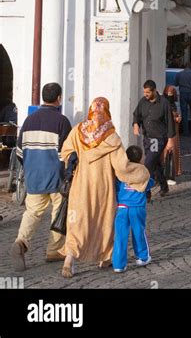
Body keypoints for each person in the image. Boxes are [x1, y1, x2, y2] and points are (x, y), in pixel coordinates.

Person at [59, 96, 149, 278]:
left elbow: (66, 151)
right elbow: (122, 167)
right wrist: (141, 174)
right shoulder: (112, 137)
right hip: (103, 187)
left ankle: (70, 258)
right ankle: (105, 256)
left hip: (81, 185)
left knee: (78, 221)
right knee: (104, 220)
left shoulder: (77, 131)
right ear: (107, 112)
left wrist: (72, 159)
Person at [10, 83, 72, 271]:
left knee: (32, 213)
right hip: (56, 177)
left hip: (34, 177)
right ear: (59, 98)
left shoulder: (29, 120)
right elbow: (67, 153)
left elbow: (20, 152)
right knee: (59, 212)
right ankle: (54, 250)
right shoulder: (62, 121)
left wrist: (31, 168)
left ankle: (21, 242)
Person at [112, 145, 155, 273]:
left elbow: (116, 185)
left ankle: (119, 264)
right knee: (138, 232)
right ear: (141, 158)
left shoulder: (120, 172)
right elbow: (149, 183)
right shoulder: (143, 172)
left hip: (122, 208)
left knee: (120, 236)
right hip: (137, 207)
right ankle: (142, 257)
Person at [133, 80, 175, 197]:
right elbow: (137, 115)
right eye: (144, 92)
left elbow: (170, 122)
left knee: (148, 164)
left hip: (159, 138)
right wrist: (136, 124)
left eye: (147, 92)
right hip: (147, 138)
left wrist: (170, 140)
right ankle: (164, 186)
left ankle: (146, 192)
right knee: (155, 163)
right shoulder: (143, 102)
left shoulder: (164, 103)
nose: (145, 94)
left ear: (154, 91)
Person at [175, 63, 191, 136]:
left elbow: (176, 84)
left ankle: (186, 132)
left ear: (184, 67)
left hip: (183, 94)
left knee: (184, 113)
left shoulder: (179, 74)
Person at [163, 85, 182, 177]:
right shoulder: (164, 104)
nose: (170, 95)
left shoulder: (174, 104)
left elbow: (177, 113)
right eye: (168, 94)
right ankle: (167, 172)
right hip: (167, 131)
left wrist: (178, 117)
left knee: (175, 150)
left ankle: (175, 171)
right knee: (167, 152)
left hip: (175, 130)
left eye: (172, 94)